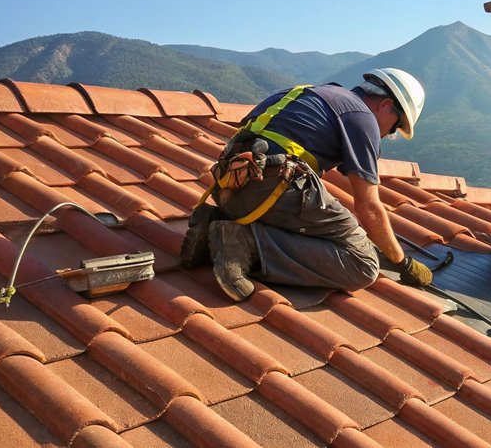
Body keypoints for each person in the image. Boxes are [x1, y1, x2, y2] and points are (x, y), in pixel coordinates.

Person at [180, 68, 434, 301]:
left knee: (313, 222)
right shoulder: (362, 117)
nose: (388, 135)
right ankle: (243, 243)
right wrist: (403, 263)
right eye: (396, 126)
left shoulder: (308, 92)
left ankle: (215, 222)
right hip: (269, 188)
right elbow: (368, 207)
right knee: (363, 263)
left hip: (228, 187)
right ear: (387, 104)